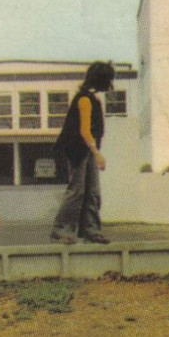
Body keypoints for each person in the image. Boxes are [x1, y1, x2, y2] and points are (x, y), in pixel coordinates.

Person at [51, 61, 116, 244]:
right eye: (109, 80)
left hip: (87, 149)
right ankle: (61, 229)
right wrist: (97, 154)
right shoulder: (84, 99)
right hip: (78, 150)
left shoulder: (93, 99)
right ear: (101, 80)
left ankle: (91, 231)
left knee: (93, 191)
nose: (110, 84)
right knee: (77, 191)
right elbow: (85, 131)